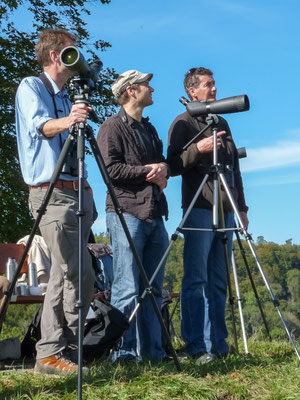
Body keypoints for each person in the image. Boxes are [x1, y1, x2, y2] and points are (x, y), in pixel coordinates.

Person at [15, 29, 95, 375]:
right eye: (71, 51)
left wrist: (86, 184)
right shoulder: (32, 87)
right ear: (55, 56)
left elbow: (71, 138)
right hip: (50, 192)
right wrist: (70, 118)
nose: (77, 57)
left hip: (75, 190)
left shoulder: (66, 95)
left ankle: (68, 349)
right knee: (67, 273)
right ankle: (49, 354)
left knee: (83, 275)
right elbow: (40, 127)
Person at [167, 67, 249, 364]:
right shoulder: (183, 122)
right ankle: (196, 346)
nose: (214, 89)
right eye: (208, 85)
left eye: (214, 84)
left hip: (226, 209)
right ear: (193, 91)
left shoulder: (222, 121)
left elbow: (233, 169)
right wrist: (197, 149)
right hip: (199, 209)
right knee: (196, 279)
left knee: (218, 280)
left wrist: (241, 208)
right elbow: (172, 165)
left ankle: (220, 345)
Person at [97, 70, 169, 362]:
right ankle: (124, 354)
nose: (152, 89)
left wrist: (162, 169)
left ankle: (153, 353)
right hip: (126, 212)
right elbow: (110, 170)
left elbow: (159, 165)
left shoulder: (150, 129)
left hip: (154, 213)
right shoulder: (111, 127)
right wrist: (148, 171)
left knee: (154, 288)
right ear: (130, 91)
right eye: (146, 85)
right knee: (127, 285)